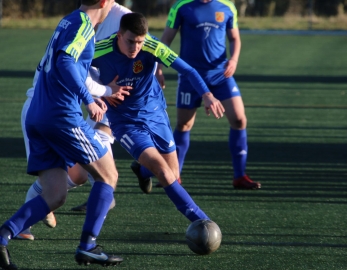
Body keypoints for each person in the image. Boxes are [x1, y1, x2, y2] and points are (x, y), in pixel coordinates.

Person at [0, 1, 124, 269]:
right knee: (109, 175)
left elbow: (68, 66)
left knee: (55, 194)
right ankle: (88, 246)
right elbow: (65, 61)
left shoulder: (68, 20)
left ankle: (2, 236)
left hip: (38, 115)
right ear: (104, 2)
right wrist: (88, 100)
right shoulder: (83, 26)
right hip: (60, 117)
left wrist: (95, 94)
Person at [92, 13, 224, 225]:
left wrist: (207, 95)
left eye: (140, 41)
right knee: (163, 172)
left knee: (172, 172)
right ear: (118, 35)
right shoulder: (99, 49)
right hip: (125, 122)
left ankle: (142, 169)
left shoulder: (151, 46)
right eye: (131, 41)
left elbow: (188, 70)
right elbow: (71, 72)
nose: (136, 47)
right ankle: (203, 221)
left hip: (155, 113)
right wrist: (98, 94)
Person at [156, 0, 261, 189]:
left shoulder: (227, 6)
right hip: (190, 76)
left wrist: (234, 60)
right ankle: (174, 176)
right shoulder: (181, 6)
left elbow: (234, 38)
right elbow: (165, 40)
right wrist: (159, 67)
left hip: (221, 75)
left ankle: (240, 176)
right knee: (184, 124)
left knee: (239, 119)